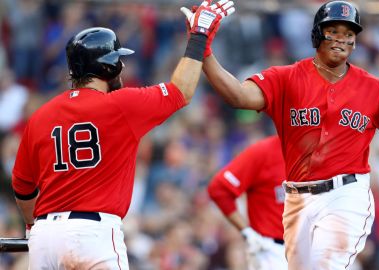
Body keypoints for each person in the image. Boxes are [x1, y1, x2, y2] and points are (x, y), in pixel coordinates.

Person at [195, 0, 379, 269]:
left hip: (346, 194)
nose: (341, 39)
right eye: (332, 30)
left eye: (348, 33)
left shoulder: (374, 89)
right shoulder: (286, 78)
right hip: (298, 198)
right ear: (317, 34)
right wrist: (203, 50)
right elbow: (239, 96)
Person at [11, 1, 235, 269]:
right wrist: (198, 38)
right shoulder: (122, 104)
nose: (123, 67)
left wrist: (33, 227)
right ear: (107, 67)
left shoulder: (40, 115)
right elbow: (182, 91)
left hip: (45, 236)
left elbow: (23, 187)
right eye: (118, 60)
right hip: (94, 233)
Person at [207, 135, 287, 270]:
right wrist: (246, 230)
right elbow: (218, 189)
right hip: (274, 252)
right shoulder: (264, 151)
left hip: (317, 249)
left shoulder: (327, 149)